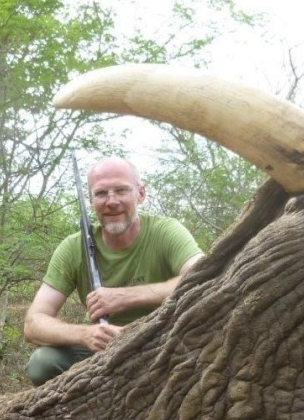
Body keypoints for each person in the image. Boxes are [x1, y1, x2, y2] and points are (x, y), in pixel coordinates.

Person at [24, 157, 204, 386]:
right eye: (101, 193)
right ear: (91, 201)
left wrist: (125, 297)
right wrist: (86, 335)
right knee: (42, 363)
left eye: (121, 190)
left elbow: (204, 275)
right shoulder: (72, 247)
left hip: (163, 339)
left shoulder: (166, 230)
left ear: (140, 194)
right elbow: (33, 323)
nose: (111, 202)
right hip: (101, 348)